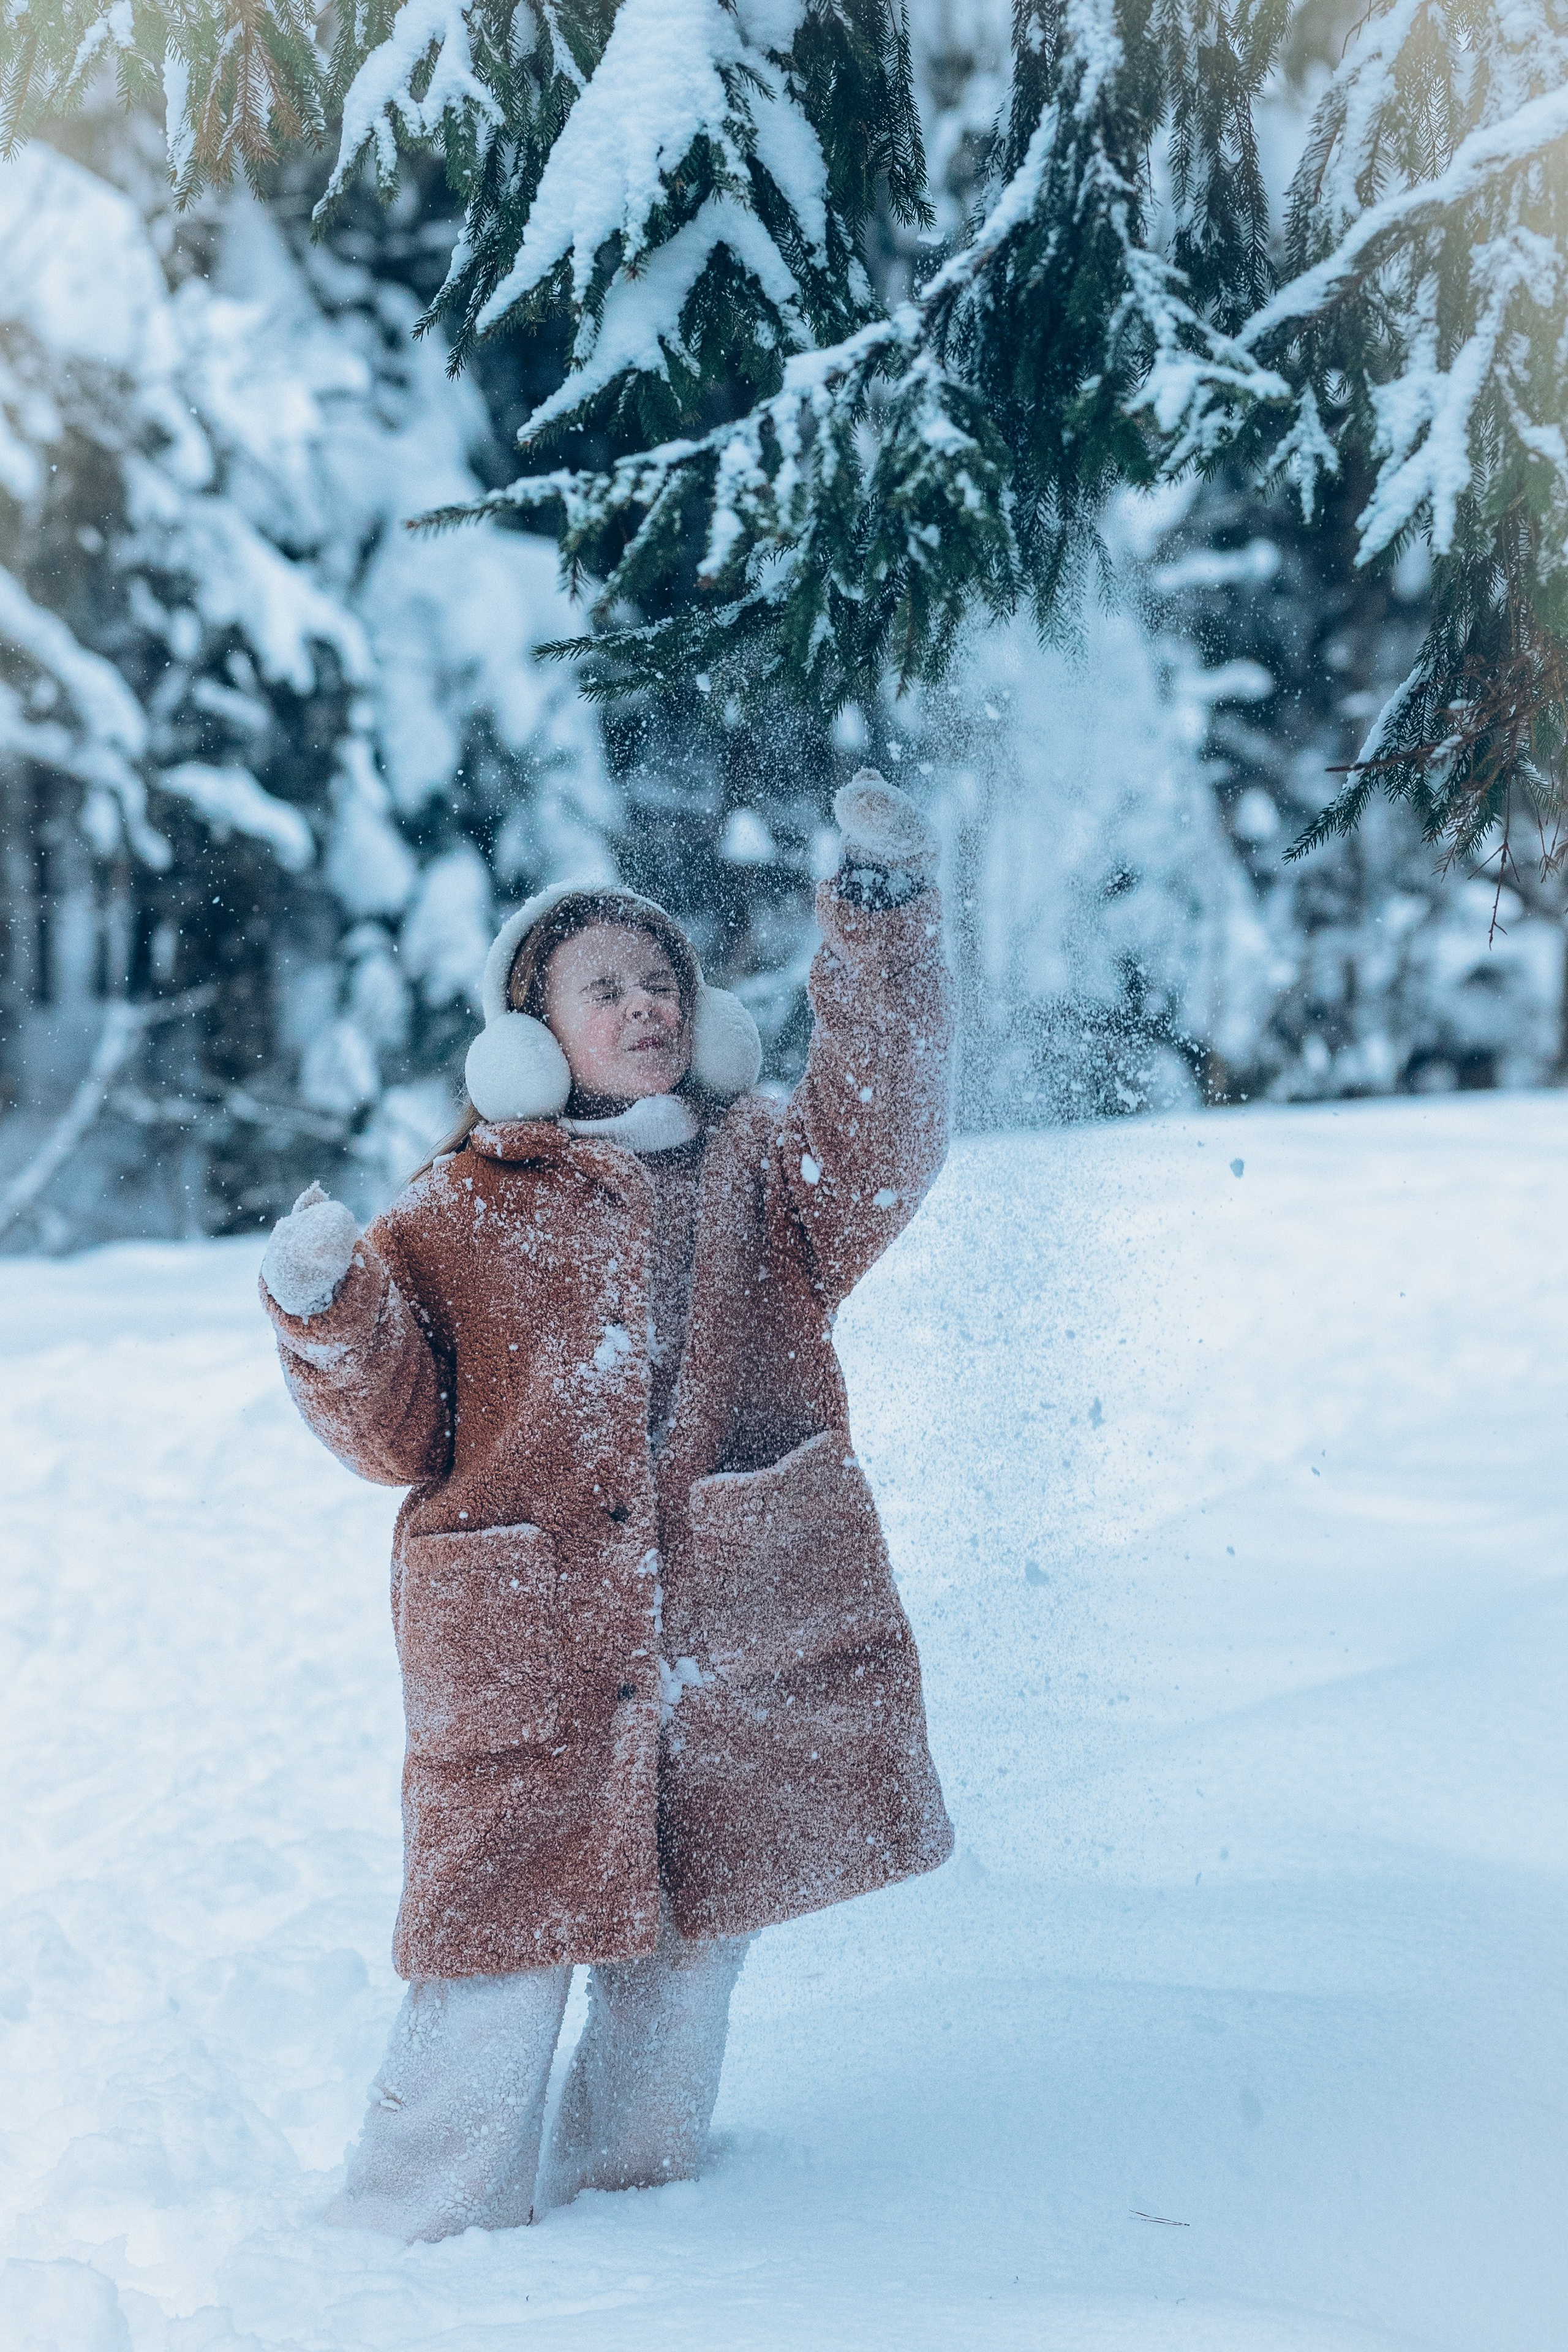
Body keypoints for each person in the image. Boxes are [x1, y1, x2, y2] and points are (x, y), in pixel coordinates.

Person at [259, 771, 955, 2239]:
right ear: (525, 1036)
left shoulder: (765, 1171)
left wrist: (880, 918)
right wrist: (324, 1309)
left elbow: (883, 1125)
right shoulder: (451, 1211)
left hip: (731, 1632)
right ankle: (396, 2248)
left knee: (693, 1946)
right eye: (604, 989)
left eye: (661, 984)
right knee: (498, 1961)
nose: (643, 1006)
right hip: (530, 1656)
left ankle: (633, 2234)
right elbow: (393, 1429)